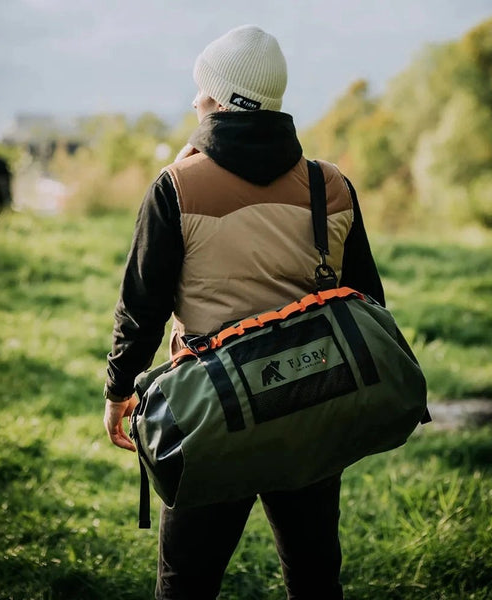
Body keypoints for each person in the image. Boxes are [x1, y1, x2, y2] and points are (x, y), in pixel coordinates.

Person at [103, 24, 385, 600]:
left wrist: (118, 392)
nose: (193, 102)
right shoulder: (330, 186)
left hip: (211, 416)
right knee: (313, 577)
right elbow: (369, 304)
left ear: (226, 101)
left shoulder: (175, 186)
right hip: (310, 404)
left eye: (202, 91)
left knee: (186, 584)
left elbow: (142, 307)